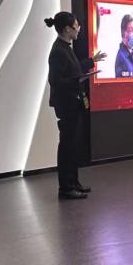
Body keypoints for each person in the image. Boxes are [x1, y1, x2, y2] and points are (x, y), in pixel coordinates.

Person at [45, 12, 106, 200]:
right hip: (66, 105)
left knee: (73, 146)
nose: (79, 29)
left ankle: (73, 182)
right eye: (76, 26)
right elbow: (55, 80)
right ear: (67, 29)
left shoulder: (65, 47)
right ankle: (66, 187)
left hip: (74, 103)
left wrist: (91, 62)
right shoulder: (57, 51)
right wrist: (76, 80)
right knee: (67, 147)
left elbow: (73, 68)